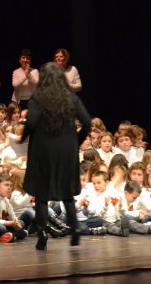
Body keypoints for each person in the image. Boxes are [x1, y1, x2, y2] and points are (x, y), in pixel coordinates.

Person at [22, 62, 91, 250]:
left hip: (43, 148)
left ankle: (42, 232)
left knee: (42, 192)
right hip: (67, 149)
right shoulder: (71, 98)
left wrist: (23, 137)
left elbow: (31, 122)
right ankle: (75, 229)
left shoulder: (38, 98)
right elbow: (87, 122)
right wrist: (76, 140)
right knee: (67, 191)